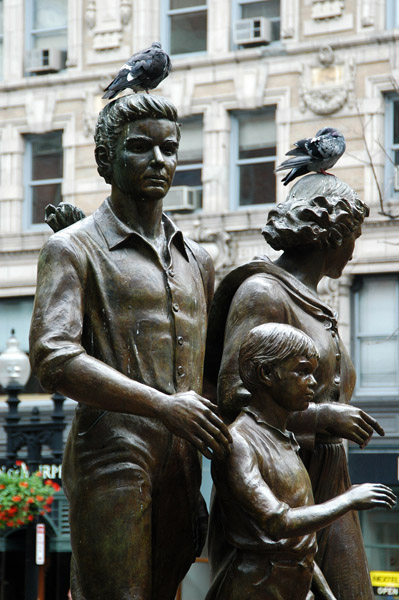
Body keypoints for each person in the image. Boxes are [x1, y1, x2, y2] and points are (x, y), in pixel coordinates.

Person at [29, 93, 231, 600]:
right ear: (106, 159)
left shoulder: (198, 259)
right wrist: (162, 406)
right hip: (113, 453)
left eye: (170, 148)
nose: (159, 161)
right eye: (141, 147)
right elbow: (54, 358)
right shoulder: (72, 248)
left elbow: (214, 372)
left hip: (184, 461)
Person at [205, 173, 383, 599]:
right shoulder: (263, 292)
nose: (353, 249)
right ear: (332, 234)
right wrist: (323, 416)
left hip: (326, 473)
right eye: (353, 236)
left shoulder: (316, 302)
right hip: (278, 474)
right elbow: (233, 395)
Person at [206, 323, 396, 600]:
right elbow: (277, 523)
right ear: (266, 373)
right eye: (303, 371)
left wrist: (325, 594)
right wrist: (349, 499)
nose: (314, 383)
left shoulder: (284, 439)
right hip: (255, 590)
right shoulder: (240, 442)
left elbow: (299, 547)